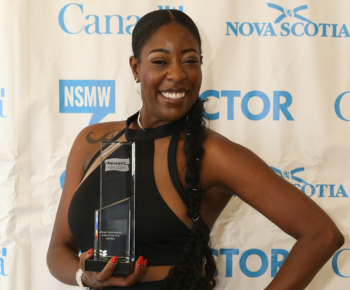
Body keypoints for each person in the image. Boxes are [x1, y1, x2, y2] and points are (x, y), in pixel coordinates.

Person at [47, 9, 344, 290]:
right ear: (136, 68)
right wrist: (83, 276)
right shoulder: (92, 140)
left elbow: (321, 234)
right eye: (160, 61)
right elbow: (59, 249)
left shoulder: (214, 154)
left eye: (190, 60)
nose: (177, 74)